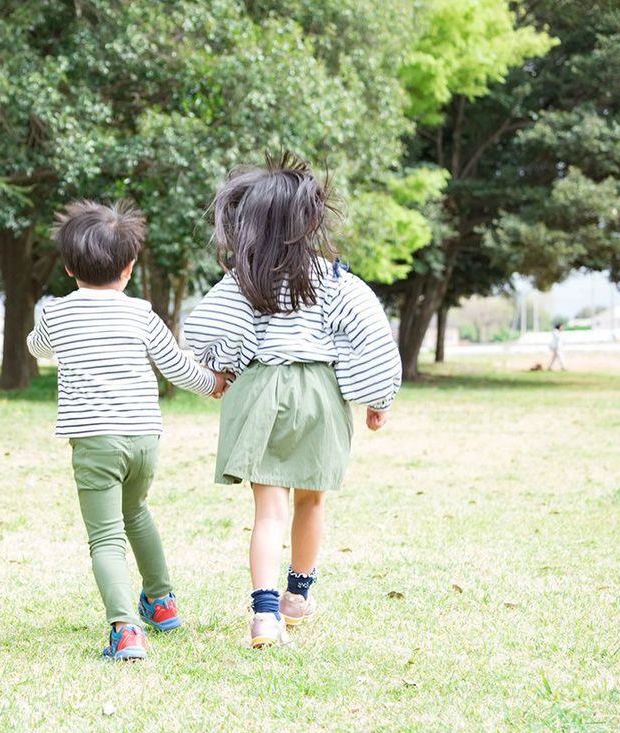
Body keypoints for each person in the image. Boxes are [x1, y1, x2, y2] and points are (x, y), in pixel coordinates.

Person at [183, 154, 402, 649]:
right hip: (320, 395)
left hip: (261, 392)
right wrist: (378, 397)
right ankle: (297, 597)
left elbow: (202, 329)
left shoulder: (244, 279)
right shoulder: (335, 278)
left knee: (269, 511)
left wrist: (220, 366)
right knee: (313, 496)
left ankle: (263, 617)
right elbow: (371, 335)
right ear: (309, 221)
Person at [27, 199, 228, 661]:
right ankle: (161, 603)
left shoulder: (57, 315)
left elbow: (37, 348)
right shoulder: (141, 313)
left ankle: (125, 629)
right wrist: (214, 384)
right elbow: (178, 368)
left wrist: (46, 332)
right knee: (136, 513)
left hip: (96, 442)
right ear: (130, 266)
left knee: (106, 537)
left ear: (67, 266)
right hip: (143, 439)